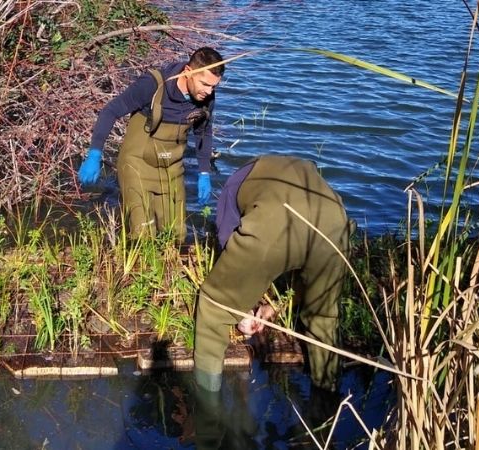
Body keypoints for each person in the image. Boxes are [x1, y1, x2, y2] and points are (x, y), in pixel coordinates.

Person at [193, 155, 353, 393]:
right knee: (324, 317)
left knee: (214, 308)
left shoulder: (234, 183)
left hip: (275, 220)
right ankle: (326, 401)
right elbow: (306, 277)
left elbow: (230, 248)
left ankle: (207, 407)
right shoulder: (304, 172)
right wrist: (274, 306)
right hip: (335, 223)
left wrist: (242, 307)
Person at [78, 47, 224, 242]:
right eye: (205, 84)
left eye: (214, 86)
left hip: (171, 168)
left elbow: (203, 132)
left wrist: (204, 172)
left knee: (176, 234)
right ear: (188, 72)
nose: (209, 91)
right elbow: (110, 111)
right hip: (137, 164)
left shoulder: (206, 99)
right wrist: (95, 154)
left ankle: (168, 269)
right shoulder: (153, 85)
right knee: (143, 234)